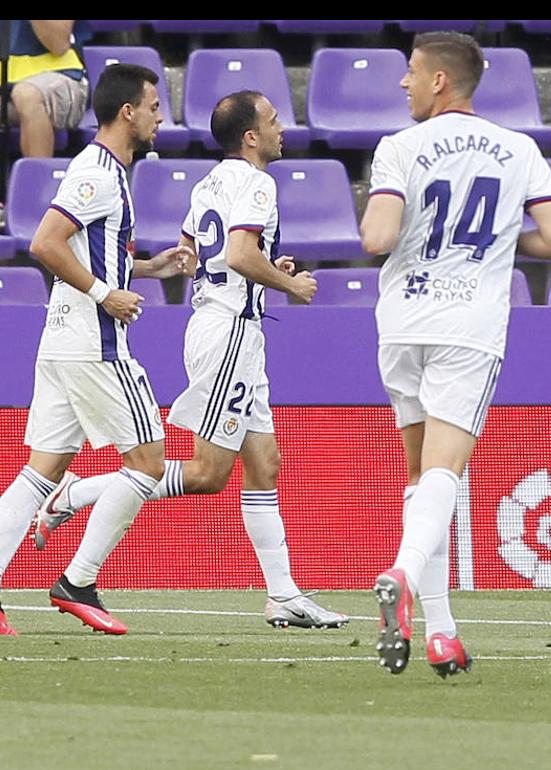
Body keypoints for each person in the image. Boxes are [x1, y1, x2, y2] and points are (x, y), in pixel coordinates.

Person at [34, 90, 348, 630]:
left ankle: (284, 595)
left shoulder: (209, 182)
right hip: (229, 334)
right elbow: (240, 254)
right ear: (250, 136)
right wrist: (288, 282)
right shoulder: (256, 183)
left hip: (231, 330)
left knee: (264, 465)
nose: (282, 129)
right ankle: (77, 494)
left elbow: (194, 248)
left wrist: (263, 267)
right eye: (273, 121)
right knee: (207, 474)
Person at [358, 32, 551, 676]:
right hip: (468, 327)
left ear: (439, 82)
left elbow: (377, 237)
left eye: (411, 74)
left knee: (421, 478)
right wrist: (502, 241)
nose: (403, 84)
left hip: (401, 324)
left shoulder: (399, 147)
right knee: (444, 477)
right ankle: (400, 571)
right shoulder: (520, 149)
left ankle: (442, 633)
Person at [0, 63, 190, 636]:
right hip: (93, 342)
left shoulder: (106, 172)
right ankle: (77, 580)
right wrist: (107, 294)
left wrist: (149, 267)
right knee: (147, 464)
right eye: (154, 107)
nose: (161, 117)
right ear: (128, 111)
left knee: (39, 473)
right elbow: (45, 242)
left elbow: (89, 250)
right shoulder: (99, 173)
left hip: (62, 337)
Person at [4, 21, 92, 158]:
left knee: (26, 95)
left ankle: (39, 177)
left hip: (60, 76)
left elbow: (58, 44)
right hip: (6, 81)